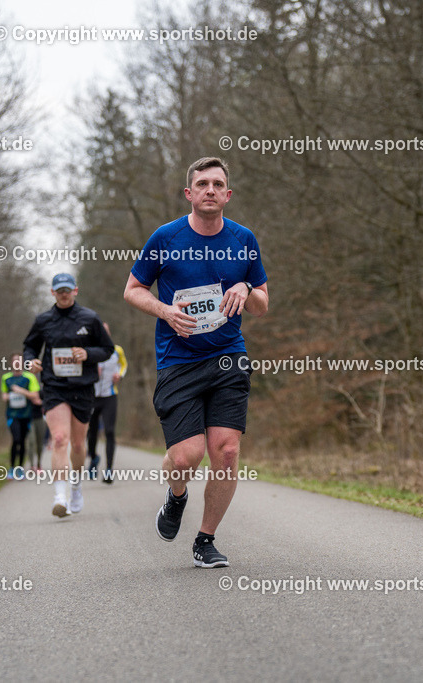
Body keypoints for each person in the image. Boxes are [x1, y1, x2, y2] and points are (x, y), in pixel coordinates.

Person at [123, 157, 268, 568]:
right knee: (186, 457)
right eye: (202, 184)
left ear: (227, 194)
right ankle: (176, 495)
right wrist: (165, 311)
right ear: (189, 193)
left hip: (227, 358)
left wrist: (245, 287)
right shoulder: (165, 237)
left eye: (217, 184)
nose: (210, 190)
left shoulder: (244, 239)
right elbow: (132, 290)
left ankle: (205, 540)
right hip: (178, 361)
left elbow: (262, 304)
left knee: (226, 451)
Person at [23, 273, 114, 518]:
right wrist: (31, 361)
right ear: (52, 292)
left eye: (67, 290)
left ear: (75, 290)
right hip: (54, 386)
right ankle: (59, 496)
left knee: (77, 443)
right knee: (60, 439)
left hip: (83, 387)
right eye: (58, 290)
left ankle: (76, 486)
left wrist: (87, 354)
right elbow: (30, 347)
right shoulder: (43, 320)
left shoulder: (90, 318)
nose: (63, 294)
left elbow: (108, 349)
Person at [87, 322, 127, 484]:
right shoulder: (89, 351)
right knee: (92, 432)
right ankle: (94, 457)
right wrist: (91, 372)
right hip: (92, 397)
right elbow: (80, 371)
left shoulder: (117, 350)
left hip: (110, 396)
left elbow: (124, 365)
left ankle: (109, 470)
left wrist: (120, 375)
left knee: (110, 431)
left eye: (106, 331)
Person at [0, 353, 39, 479]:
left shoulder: (29, 377)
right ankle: (11, 468)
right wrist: (8, 396)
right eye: (14, 361)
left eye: (19, 361)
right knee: (15, 439)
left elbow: (35, 395)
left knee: (22, 441)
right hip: (12, 415)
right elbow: (4, 395)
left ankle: (20, 469)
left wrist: (20, 391)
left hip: (26, 415)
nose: (16, 363)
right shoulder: (6, 378)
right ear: (11, 363)